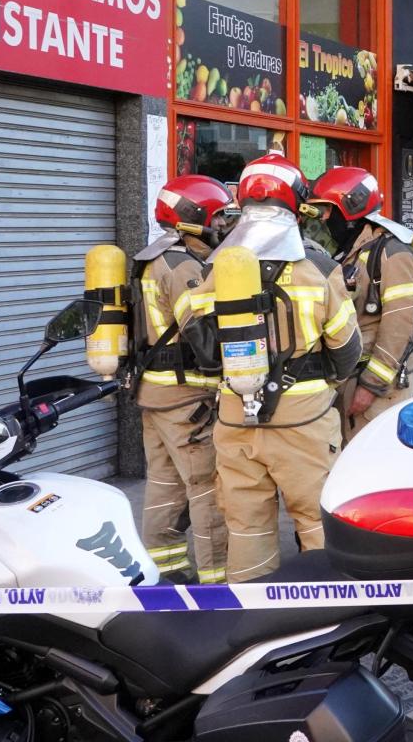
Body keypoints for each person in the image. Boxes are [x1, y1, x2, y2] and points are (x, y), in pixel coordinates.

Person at [188, 153, 363, 582]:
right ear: (296, 202)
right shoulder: (318, 266)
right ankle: (328, 618)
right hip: (303, 420)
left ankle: (254, 621)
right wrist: (327, 382)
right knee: (319, 524)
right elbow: (347, 347)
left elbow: (200, 344)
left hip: (234, 418)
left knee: (246, 529)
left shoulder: (215, 267)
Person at [132, 175, 232, 584]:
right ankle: (217, 584)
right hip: (186, 400)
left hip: (154, 395)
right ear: (195, 217)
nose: (224, 224)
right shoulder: (185, 266)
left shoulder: (151, 258)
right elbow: (204, 340)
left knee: (163, 489)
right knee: (207, 493)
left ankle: (167, 574)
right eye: (220, 215)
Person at [309, 166, 413, 441]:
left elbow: (400, 326)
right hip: (348, 377)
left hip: (377, 385)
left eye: (329, 210)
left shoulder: (394, 254)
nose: (325, 218)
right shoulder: (350, 251)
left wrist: (370, 386)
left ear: (351, 208)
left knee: (375, 464)